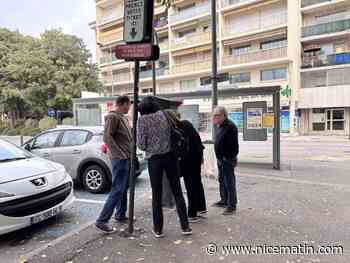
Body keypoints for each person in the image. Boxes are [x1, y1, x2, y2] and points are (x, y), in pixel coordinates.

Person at [137, 96, 192, 238]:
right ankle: (185, 227)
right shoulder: (165, 114)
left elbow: (141, 145)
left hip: (154, 160)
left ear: (142, 109)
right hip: (171, 157)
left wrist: (151, 144)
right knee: (177, 191)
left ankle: (158, 229)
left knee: (156, 194)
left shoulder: (142, 120)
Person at [95, 96, 132, 233]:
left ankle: (120, 214)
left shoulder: (122, 117)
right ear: (122, 104)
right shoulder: (113, 117)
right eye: (128, 105)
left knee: (122, 188)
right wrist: (120, 154)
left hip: (125, 157)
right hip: (119, 158)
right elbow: (107, 137)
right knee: (117, 189)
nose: (129, 108)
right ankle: (102, 220)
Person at [174, 113, 207, 222]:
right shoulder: (187, 125)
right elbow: (197, 142)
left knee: (190, 185)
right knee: (197, 182)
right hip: (196, 156)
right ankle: (201, 207)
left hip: (188, 159)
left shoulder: (179, 128)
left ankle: (192, 213)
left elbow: (182, 147)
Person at [212, 106, 239, 215]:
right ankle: (224, 200)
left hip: (227, 159)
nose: (214, 117)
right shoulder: (221, 125)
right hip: (221, 159)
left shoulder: (230, 126)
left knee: (229, 182)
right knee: (222, 180)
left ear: (223, 115)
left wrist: (227, 157)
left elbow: (234, 146)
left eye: (217, 115)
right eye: (214, 115)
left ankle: (232, 205)